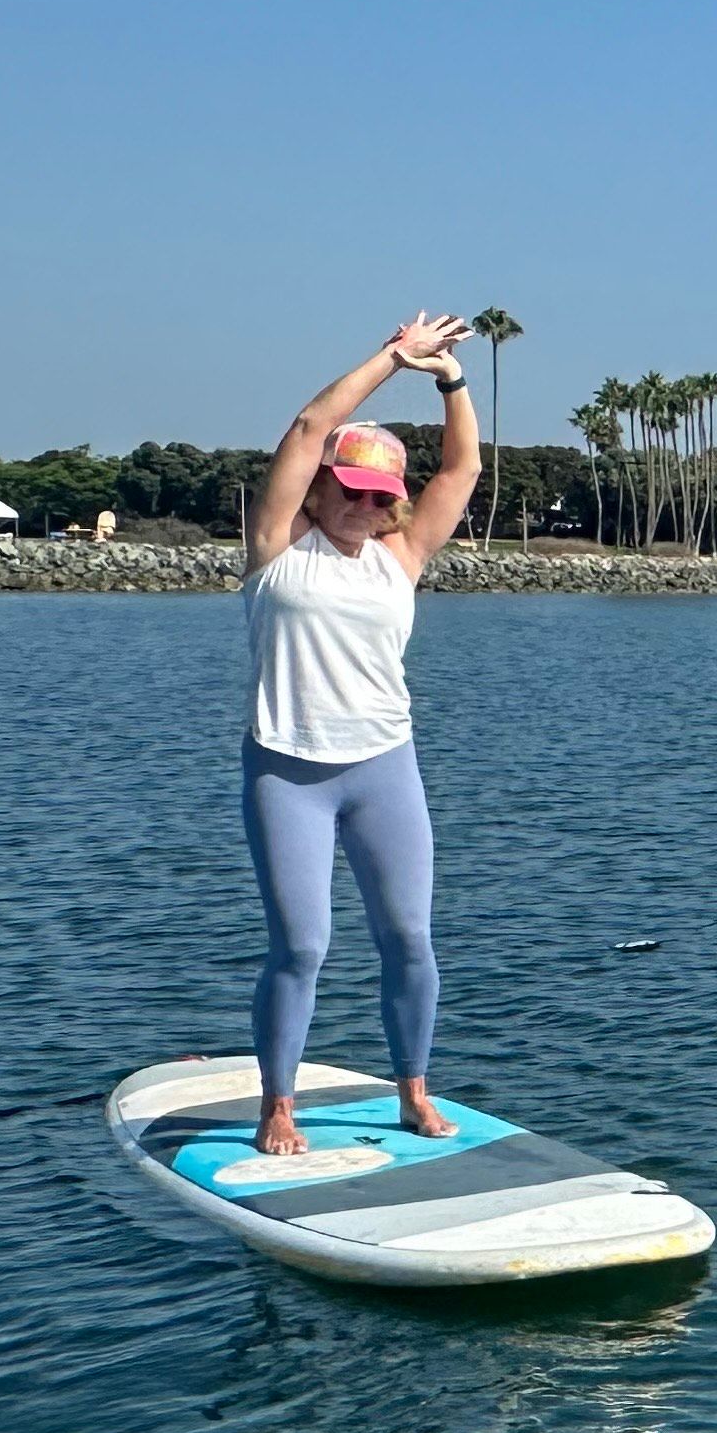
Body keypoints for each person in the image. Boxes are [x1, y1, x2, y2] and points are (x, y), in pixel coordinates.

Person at [240, 314, 480, 1158]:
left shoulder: (402, 555)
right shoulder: (275, 549)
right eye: (348, 488)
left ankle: (413, 1091)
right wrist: (392, 360)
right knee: (302, 946)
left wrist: (449, 381)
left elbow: (464, 467)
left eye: (379, 494)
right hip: (288, 772)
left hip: (384, 766)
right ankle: (279, 1103)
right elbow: (308, 428)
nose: (363, 504)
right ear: (318, 490)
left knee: (409, 938)